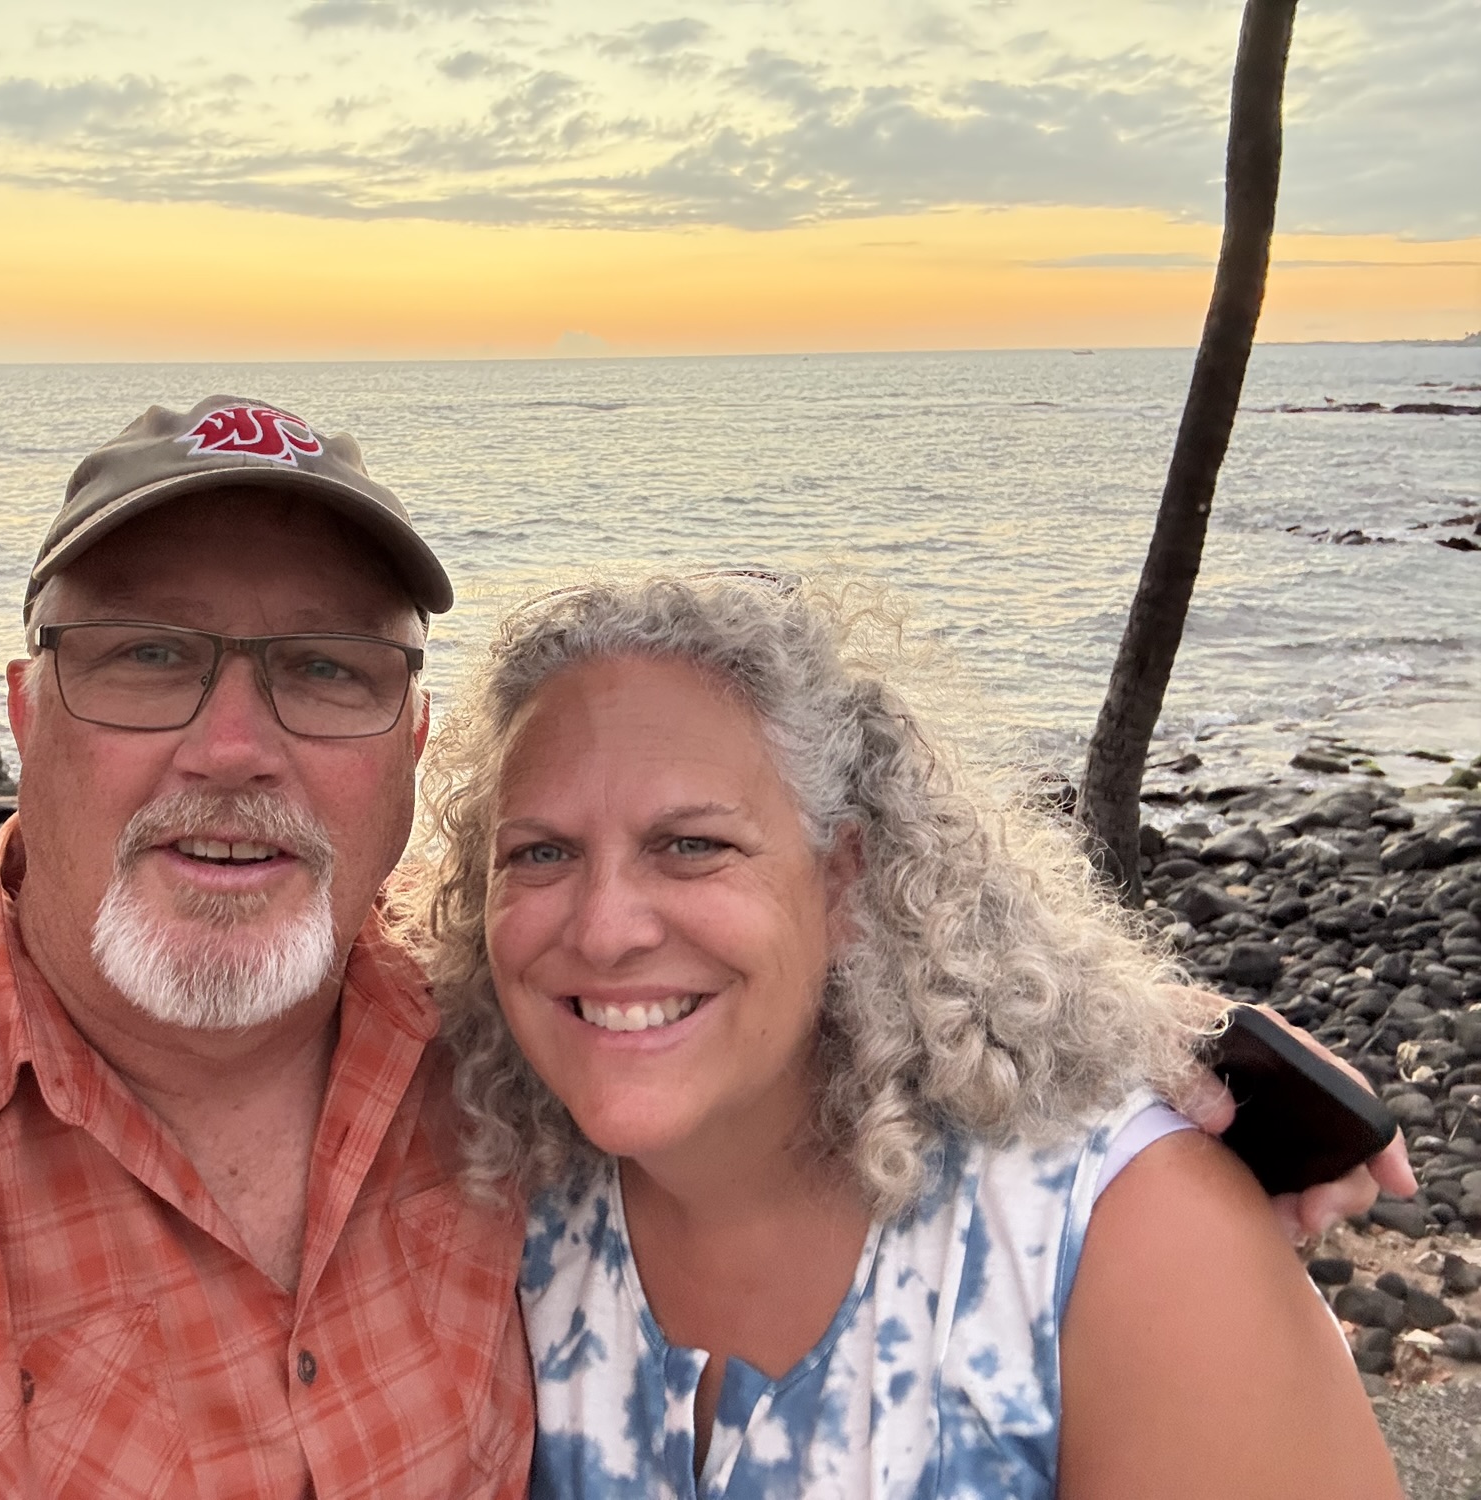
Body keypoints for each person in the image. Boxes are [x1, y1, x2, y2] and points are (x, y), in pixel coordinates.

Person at [0, 398, 1409, 1498]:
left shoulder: (502, 1084)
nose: (233, 748)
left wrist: (1138, 1071)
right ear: (22, 714)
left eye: (321, 672)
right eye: (148, 656)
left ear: (405, 754)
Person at [416, 572, 1402, 1499]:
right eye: (539, 854)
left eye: (692, 845)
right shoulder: (490, 1194)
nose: (602, 929)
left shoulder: (1115, 1241)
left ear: (842, 882)